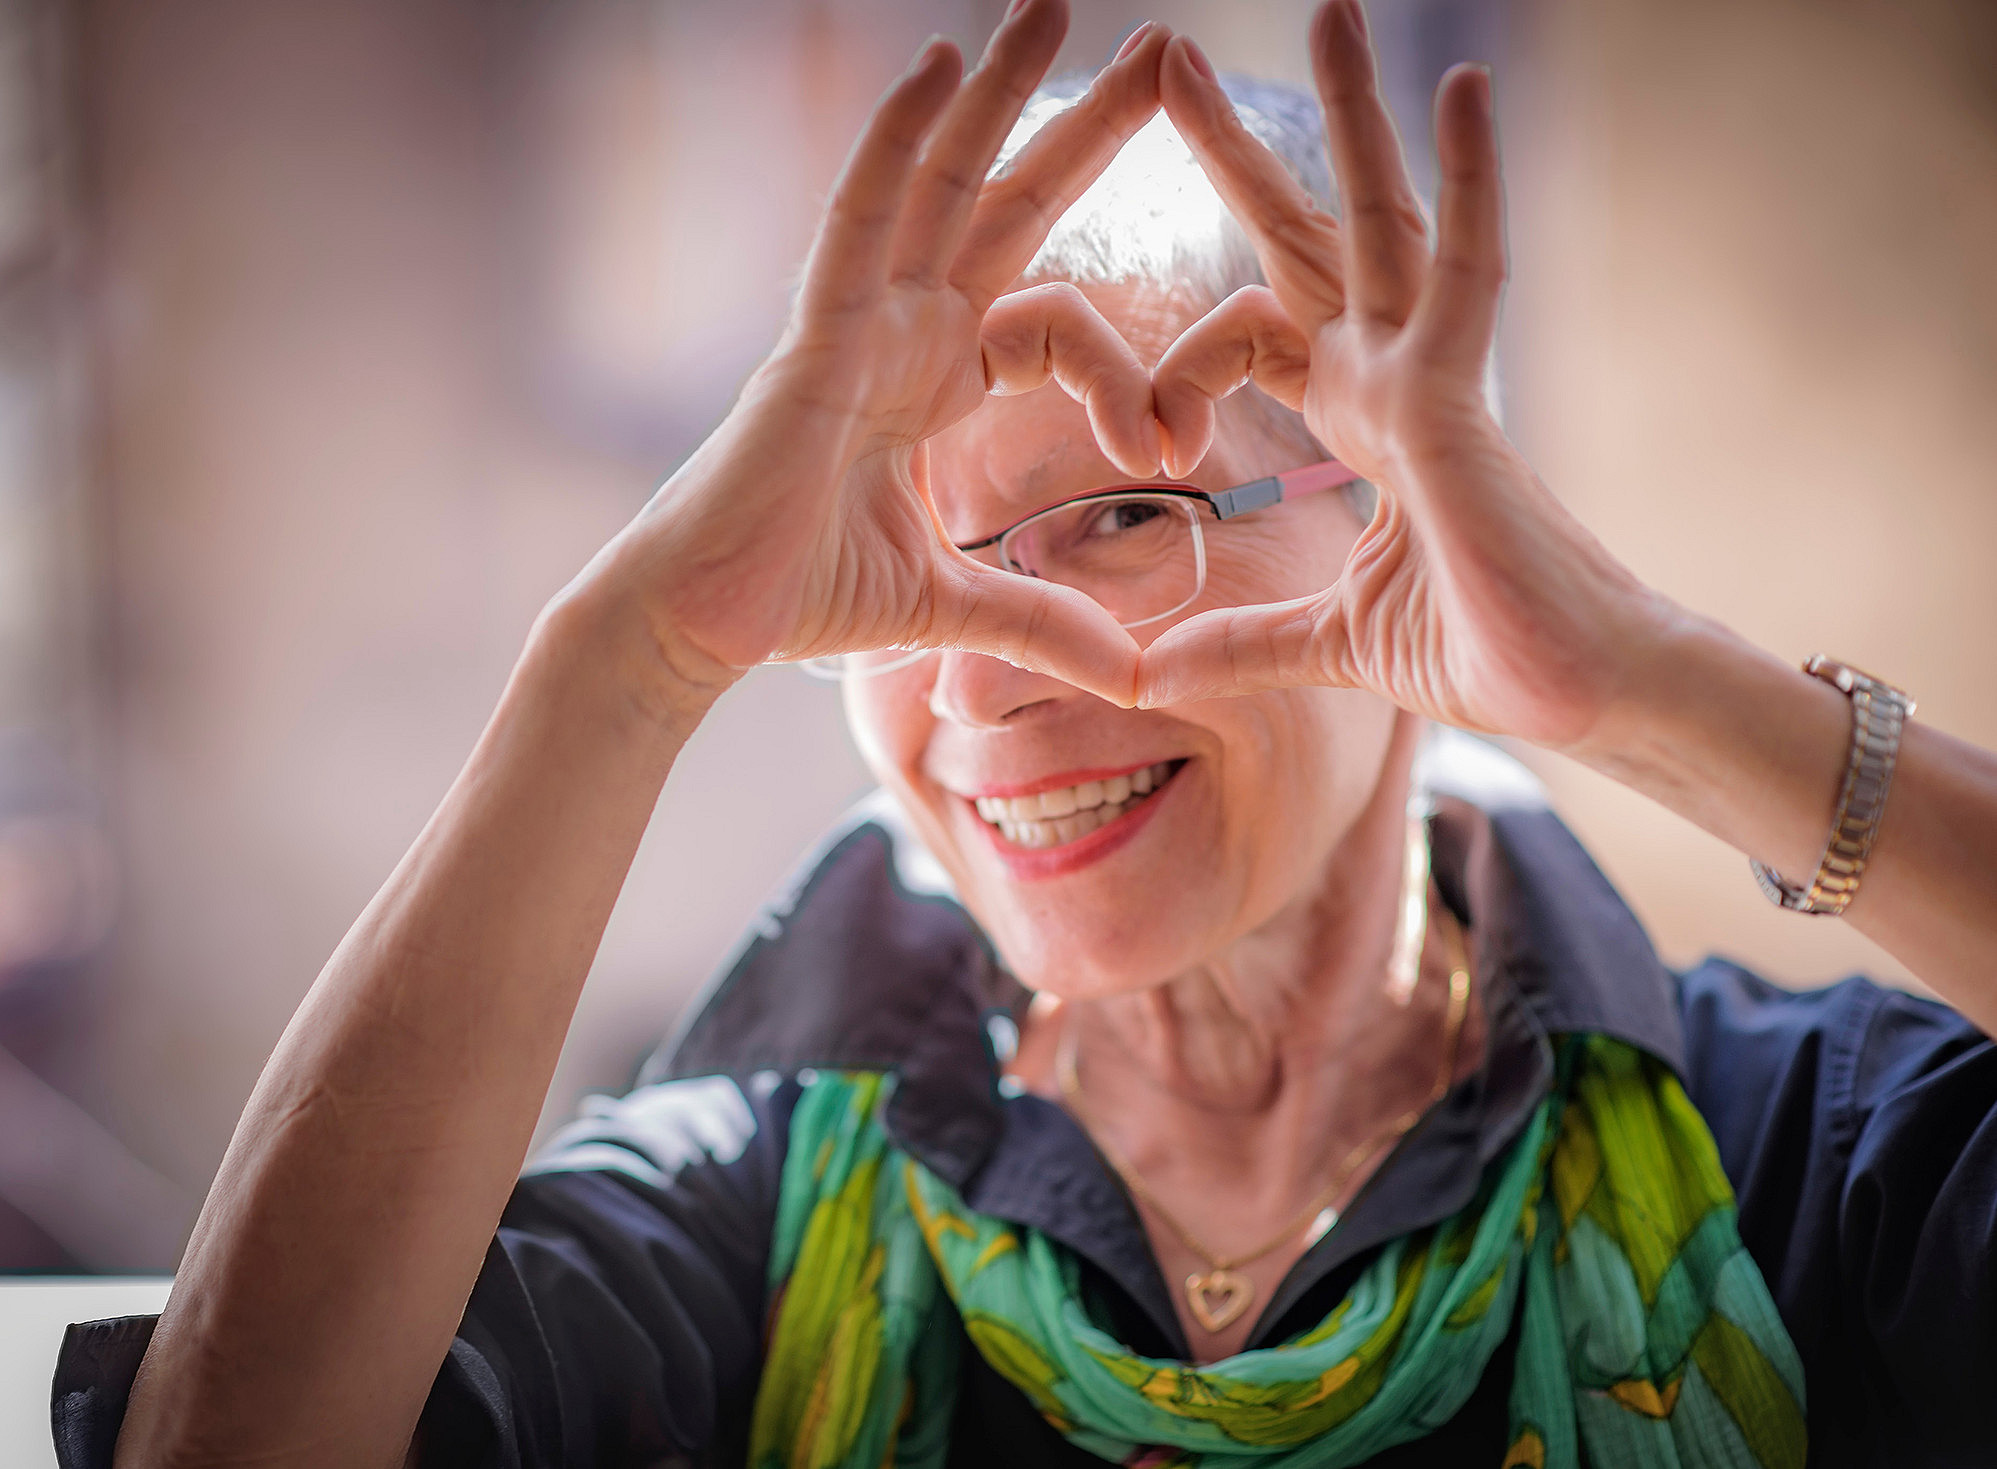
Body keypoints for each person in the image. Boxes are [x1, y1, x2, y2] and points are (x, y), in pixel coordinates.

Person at [53, 1, 1997, 1465]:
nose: (978, 679)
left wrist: (1650, 683)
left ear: (1393, 519)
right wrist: (622, 664)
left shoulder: (1800, 1162)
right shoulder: (757, 1197)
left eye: (1122, 517)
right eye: (905, 561)